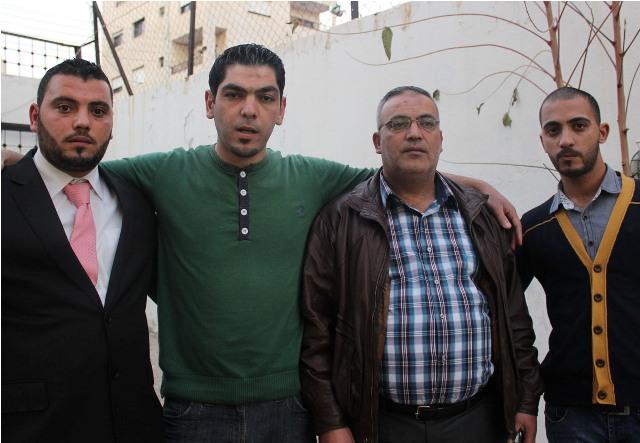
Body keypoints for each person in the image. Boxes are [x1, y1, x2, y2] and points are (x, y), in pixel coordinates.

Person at [1, 44, 523, 442]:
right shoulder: (162, 173)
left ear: (281, 108)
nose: (249, 110)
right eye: (234, 95)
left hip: (289, 410)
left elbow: (396, 174)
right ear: (210, 103)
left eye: (264, 97)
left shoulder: (313, 177)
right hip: (191, 412)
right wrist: (19, 163)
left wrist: (477, 186)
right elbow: (79, 166)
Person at [300, 86, 543, 443]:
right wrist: (330, 423)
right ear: (377, 141)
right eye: (398, 124)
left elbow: (514, 318)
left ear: (440, 139)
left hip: (478, 420)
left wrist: (526, 399)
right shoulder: (341, 219)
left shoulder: (480, 215)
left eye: (426, 123)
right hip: (383, 424)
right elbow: (316, 332)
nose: (414, 133)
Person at [1, 59, 163, 442]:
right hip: (34, 426)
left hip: (134, 424)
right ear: (34, 116)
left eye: (98, 110)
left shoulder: (138, 201)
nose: (82, 122)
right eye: (65, 107)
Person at [518, 87, 640, 443]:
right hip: (572, 416)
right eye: (553, 130)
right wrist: (524, 396)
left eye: (579, 126)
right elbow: (508, 314)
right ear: (543, 140)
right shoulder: (534, 227)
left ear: (602, 132)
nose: (566, 140)